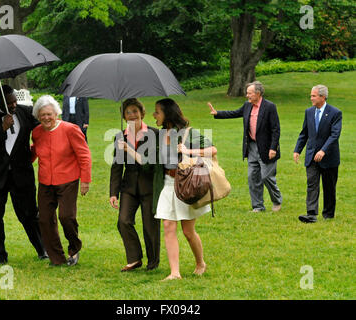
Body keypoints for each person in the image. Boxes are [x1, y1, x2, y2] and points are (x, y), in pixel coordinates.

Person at [121, 98, 216, 281]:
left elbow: (212, 150)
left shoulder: (188, 133)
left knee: (188, 232)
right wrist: (128, 149)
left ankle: (200, 263)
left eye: (157, 111)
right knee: (168, 226)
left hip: (185, 185)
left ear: (167, 113)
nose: (154, 115)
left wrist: (188, 151)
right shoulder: (158, 135)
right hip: (166, 185)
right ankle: (175, 273)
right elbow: (147, 162)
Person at [0, 85, 47, 266]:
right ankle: (0, 258)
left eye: (15, 100)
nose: (14, 104)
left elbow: (42, 130)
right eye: (9, 102)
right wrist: (1, 128)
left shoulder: (26, 112)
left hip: (22, 176)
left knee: (30, 215)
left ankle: (42, 250)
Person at [31, 95, 91, 266]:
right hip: (45, 182)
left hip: (68, 180)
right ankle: (56, 258)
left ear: (56, 114)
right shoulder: (36, 132)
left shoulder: (70, 129)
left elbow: (84, 155)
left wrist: (85, 180)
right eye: (42, 115)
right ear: (38, 116)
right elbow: (35, 151)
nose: (46, 118)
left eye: (49, 114)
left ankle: (74, 248)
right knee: (44, 219)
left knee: (66, 216)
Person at [208, 81, 282, 213]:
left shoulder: (270, 107)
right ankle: (258, 206)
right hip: (252, 147)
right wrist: (217, 113)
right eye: (247, 93)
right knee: (253, 177)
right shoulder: (247, 105)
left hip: (267, 148)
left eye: (249, 93)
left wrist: (273, 148)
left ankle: (277, 201)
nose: (247, 95)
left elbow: (276, 129)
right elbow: (235, 113)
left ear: (258, 94)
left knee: (266, 177)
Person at [109, 98, 161, 272]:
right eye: (128, 112)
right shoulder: (120, 136)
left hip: (149, 187)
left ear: (142, 112)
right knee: (123, 221)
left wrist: (130, 150)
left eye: (135, 111)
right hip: (129, 187)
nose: (132, 115)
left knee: (150, 226)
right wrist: (113, 193)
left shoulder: (154, 133)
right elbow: (117, 166)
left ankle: (153, 262)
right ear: (124, 116)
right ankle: (134, 258)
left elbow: (152, 162)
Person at [294, 85, 342, 223]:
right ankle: (311, 214)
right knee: (312, 184)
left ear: (323, 97)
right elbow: (304, 133)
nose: (311, 98)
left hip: (329, 157)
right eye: (311, 95)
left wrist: (323, 150)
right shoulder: (309, 112)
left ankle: (328, 214)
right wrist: (297, 149)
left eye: (313, 96)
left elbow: (334, 135)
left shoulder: (335, 113)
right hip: (311, 156)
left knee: (329, 187)